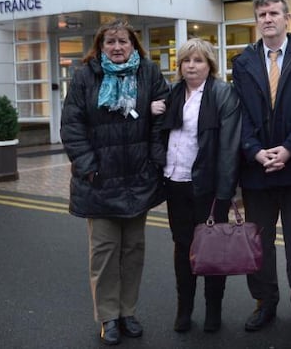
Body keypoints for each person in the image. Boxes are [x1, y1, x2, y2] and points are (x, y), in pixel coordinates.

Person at [61, 19, 169, 345]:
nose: (118, 47)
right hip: (100, 182)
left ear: (134, 45)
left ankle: (127, 312)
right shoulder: (84, 77)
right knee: (105, 252)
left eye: (124, 41)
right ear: (101, 46)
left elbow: (163, 122)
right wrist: (89, 168)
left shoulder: (148, 74)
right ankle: (108, 317)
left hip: (138, 179)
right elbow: (72, 126)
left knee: (133, 251)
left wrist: (154, 162)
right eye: (111, 42)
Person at [232, 0, 291, 332]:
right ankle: (264, 303)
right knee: (259, 241)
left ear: (288, 18)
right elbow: (237, 113)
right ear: (256, 21)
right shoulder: (242, 62)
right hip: (257, 168)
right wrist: (255, 151)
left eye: (273, 13)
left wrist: (288, 149)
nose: (267, 19)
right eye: (261, 15)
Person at [153, 38, 241, 334]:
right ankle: (184, 309)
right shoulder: (173, 93)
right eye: (186, 60)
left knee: (212, 250)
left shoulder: (222, 93)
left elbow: (229, 146)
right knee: (182, 248)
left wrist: (226, 193)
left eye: (198, 60)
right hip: (175, 182)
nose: (191, 66)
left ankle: (213, 310)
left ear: (210, 65)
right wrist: (151, 108)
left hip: (208, 187)